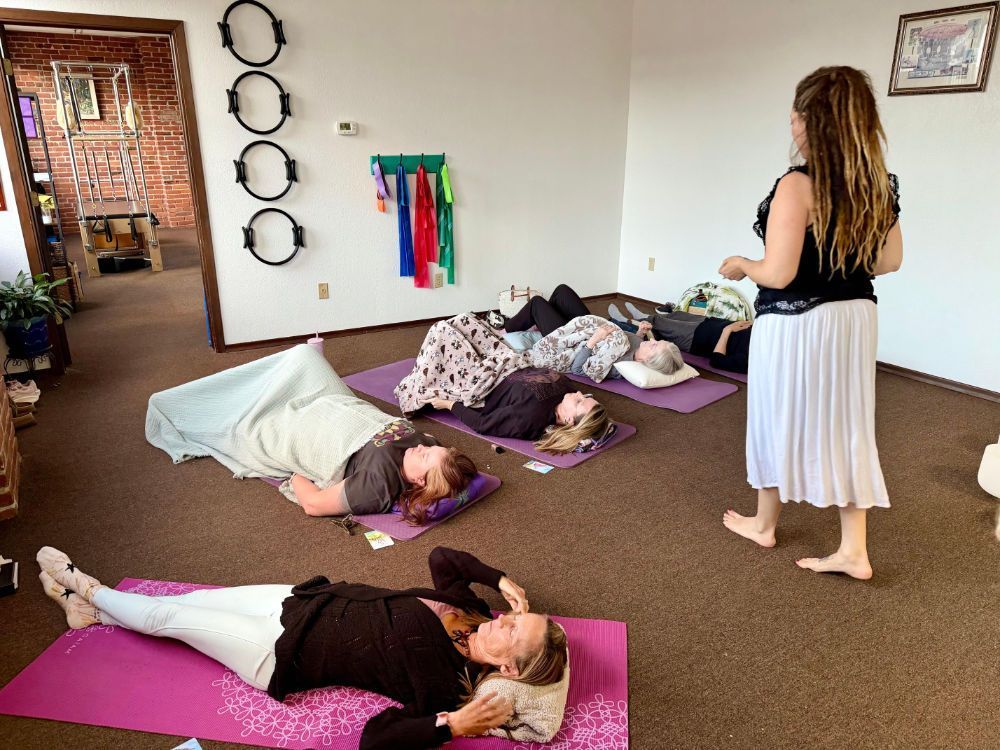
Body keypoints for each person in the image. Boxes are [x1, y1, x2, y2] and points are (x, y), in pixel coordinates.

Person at [36, 545, 568, 750]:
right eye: (516, 615)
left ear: (506, 665)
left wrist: (452, 725)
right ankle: (89, 615)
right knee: (197, 599)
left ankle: (87, 588)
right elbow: (443, 557)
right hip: (301, 598)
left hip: (280, 650)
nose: (505, 620)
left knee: (167, 616)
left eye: (513, 630)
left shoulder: (445, 685)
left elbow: (376, 741)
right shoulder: (473, 614)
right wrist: (499, 579)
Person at [717, 66, 903, 579]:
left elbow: (779, 271)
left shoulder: (797, 183)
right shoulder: (876, 184)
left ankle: (764, 523)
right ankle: (854, 550)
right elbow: (889, 262)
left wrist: (740, 264)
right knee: (849, 425)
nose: (792, 122)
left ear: (808, 122)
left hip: (797, 322)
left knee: (775, 415)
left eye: (797, 113)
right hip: (855, 320)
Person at [146, 345, 475, 524]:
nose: (423, 448)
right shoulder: (424, 444)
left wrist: (299, 473)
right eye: (432, 449)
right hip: (334, 400)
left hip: (299, 430)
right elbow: (449, 467)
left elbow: (314, 505)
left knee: (241, 421)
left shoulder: (376, 488)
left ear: (419, 482)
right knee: (303, 355)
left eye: (427, 458)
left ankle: (179, 408)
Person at [394, 314, 612, 453]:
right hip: (507, 359)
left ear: (567, 419)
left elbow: (484, 424)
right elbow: (600, 425)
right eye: (584, 397)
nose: (580, 394)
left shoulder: (530, 420)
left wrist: (449, 405)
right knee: (465, 320)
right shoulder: (568, 393)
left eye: (579, 401)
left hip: (482, 381)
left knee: (442, 331)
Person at [498, 284, 683, 382]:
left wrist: (593, 340)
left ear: (645, 361)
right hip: (590, 328)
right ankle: (540, 322)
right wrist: (640, 334)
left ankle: (505, 330)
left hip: (575, 343)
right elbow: (631, 344)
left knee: (537, 303)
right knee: (563, 291)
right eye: (657, 342)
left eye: (654, 346)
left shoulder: (621, 368)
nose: (654, 341)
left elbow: (579, 369)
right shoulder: (640, 349)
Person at [608, 302, 753, 374]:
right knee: (676, 315)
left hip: (698, 338)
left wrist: (727, 330)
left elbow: (717, 361)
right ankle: (643, 317)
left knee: (661, 323)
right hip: (711, 323)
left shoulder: (754, 361)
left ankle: (626, 320)